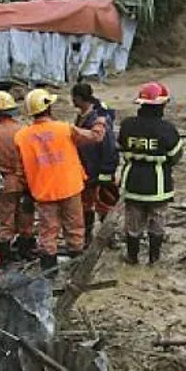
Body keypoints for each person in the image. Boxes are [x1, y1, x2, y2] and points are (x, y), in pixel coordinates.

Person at [13, 88, 107, 273]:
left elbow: (20, 170)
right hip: (70, 187)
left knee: (48, 233)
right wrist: (101, 120)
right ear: (49, 107)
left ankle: (49, 272)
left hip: (43, 192)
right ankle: (76, 268)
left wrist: (26, 193)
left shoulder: (21, 137)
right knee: (75, 229)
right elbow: (95, 137)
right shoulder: (64, 129)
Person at [117, 81, 182, 265]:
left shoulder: (127, 125)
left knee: (133, 222)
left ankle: (132, 257)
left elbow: (120, 147)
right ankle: (154, 259)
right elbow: (176, 156)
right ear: (161, 105)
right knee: (157, 221)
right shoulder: (167, 129)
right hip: (158, 185)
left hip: (133, 183)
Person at [0, 91, 35, 263]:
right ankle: (25, 250)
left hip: (2, 181)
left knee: (6, 220)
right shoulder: (23, 130)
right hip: (24, 181)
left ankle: (4, 256)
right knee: (26, 217)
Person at [72, 83, 119, 248]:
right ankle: (88, 237)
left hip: (98, 169)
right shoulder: (83, 116)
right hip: (86, 169)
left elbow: (109, 146)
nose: (72, 101)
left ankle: (109, 237)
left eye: (74, 97)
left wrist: (106, 171)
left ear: (79, 98)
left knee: (104, 204)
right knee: (86, 206)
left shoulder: (98, 119)